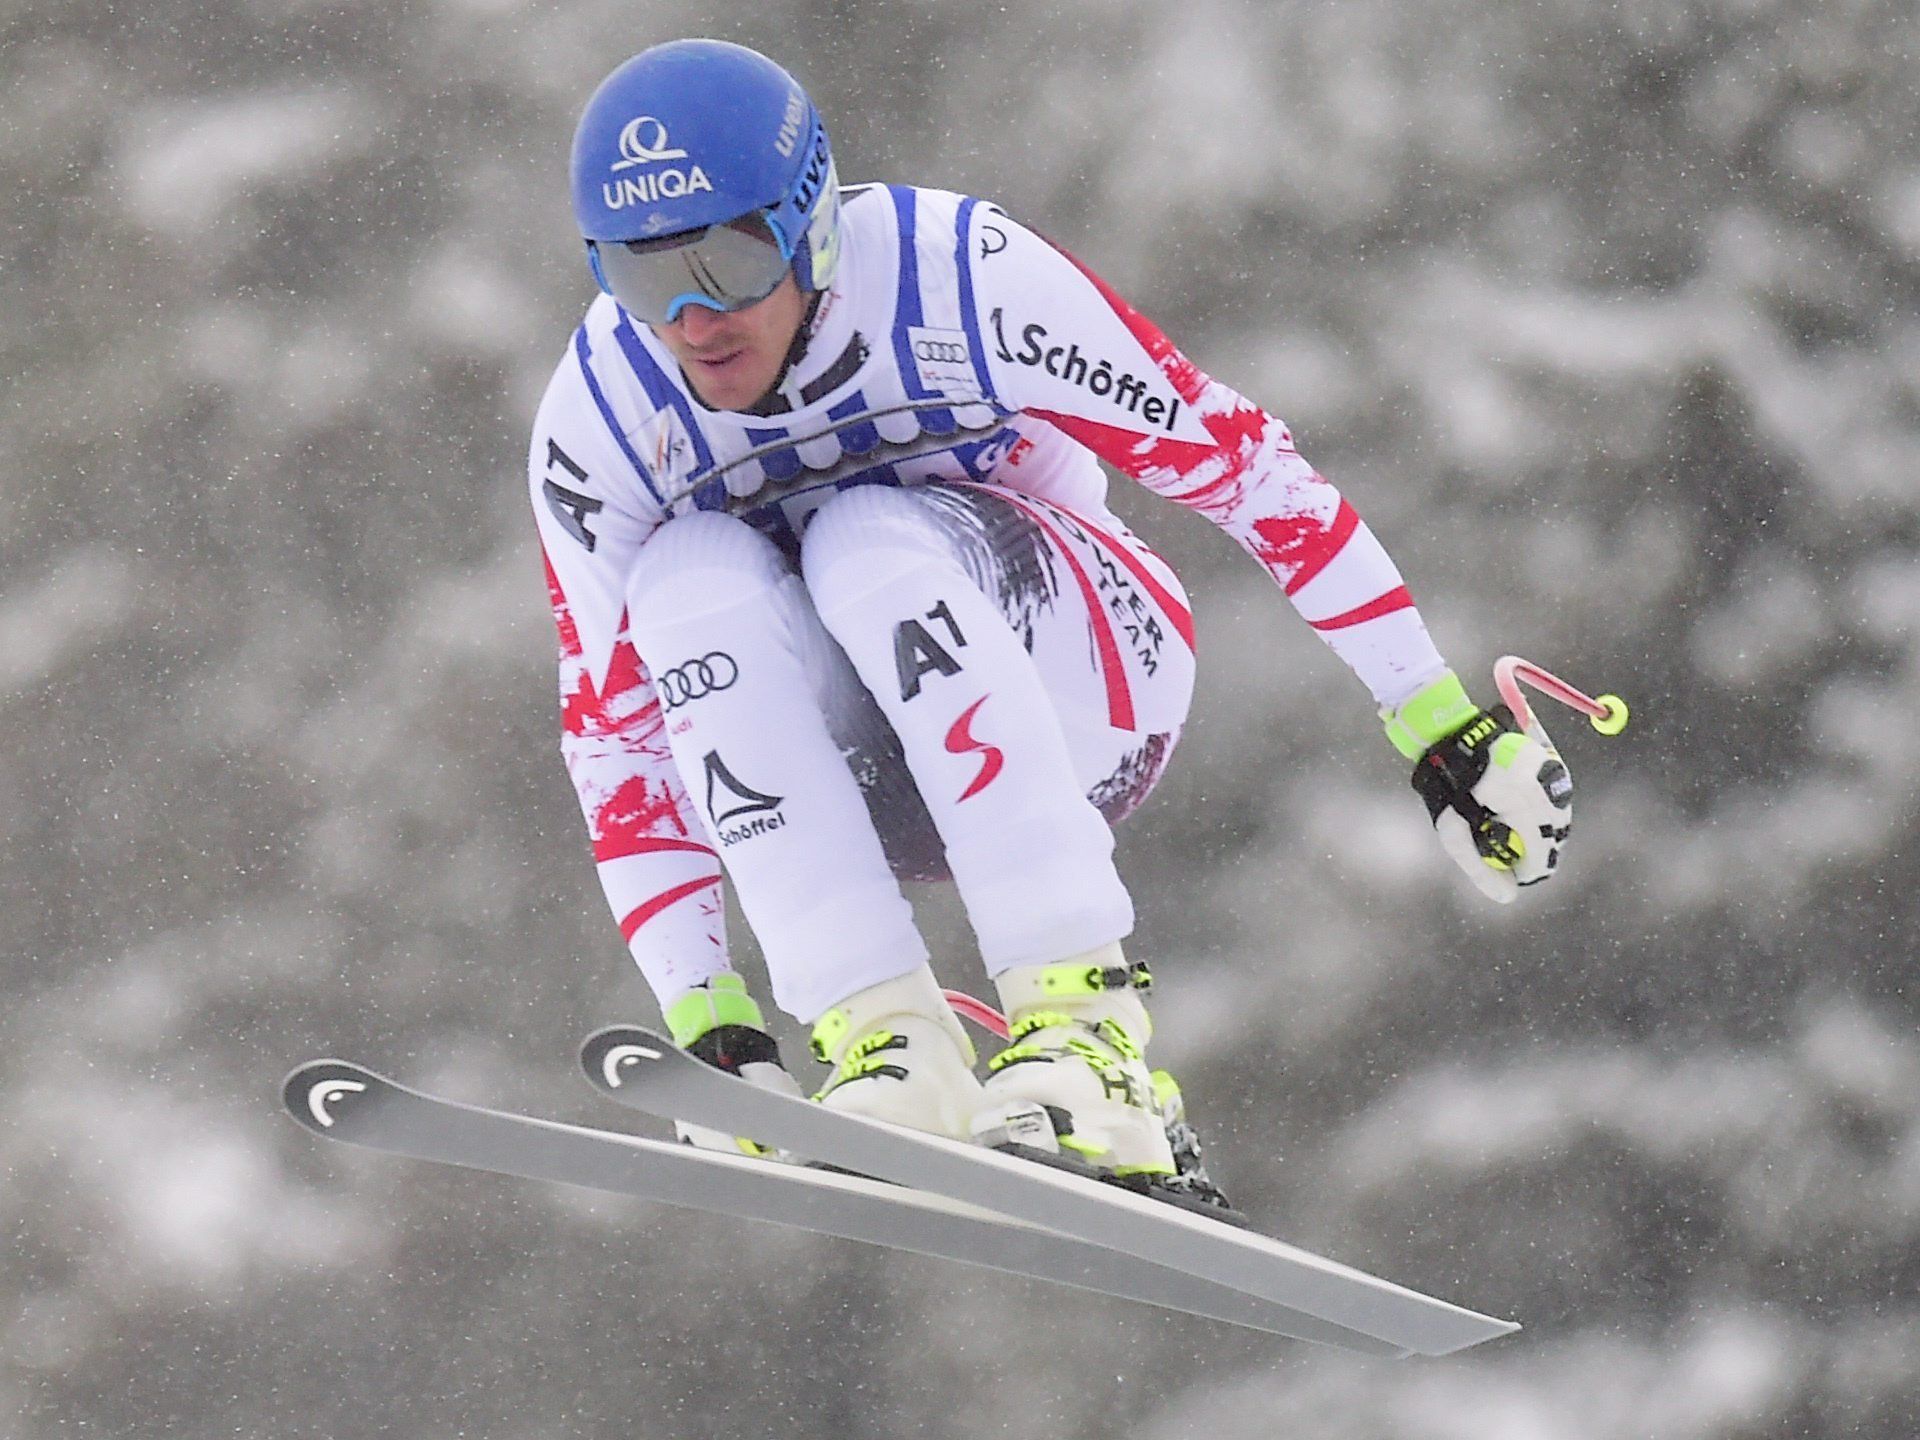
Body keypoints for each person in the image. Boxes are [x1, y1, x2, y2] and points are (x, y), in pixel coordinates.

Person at [527, 38, 1572, 1201]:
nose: (692, 319)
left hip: (1093, 679)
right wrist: (709, 1018)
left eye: (726, 259)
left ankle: (1089, 1038)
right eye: (639, 276)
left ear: (811, 223)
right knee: (684, 582)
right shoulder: (605, 417)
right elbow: (613, 737)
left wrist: (1436, 722)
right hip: (874, 788)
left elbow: (1240, 467)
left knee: (866, 536)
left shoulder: (956, 278)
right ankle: (889, 1044)